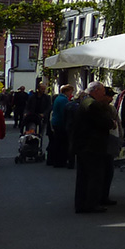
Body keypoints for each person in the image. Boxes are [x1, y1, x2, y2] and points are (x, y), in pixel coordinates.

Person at [74, 82, 115, 213]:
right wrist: (111, 123)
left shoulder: (85, 102)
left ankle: (82, 203)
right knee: (94, 175)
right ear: (96, 90)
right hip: (92, 145)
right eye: (102, 91)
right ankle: (91, 203)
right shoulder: (93, 105)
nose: (104, 93)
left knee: (84, 176)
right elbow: (104, 122)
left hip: (84, 144)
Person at [47, 85, 74, 167]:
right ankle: (60, 161)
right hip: (60, 123)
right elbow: (64, 112)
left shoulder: (59, 98)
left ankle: (55, 160)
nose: (71, 93)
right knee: (61, 143)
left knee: (57, 142)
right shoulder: (63, 100)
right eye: (71, 91)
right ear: (67, 91)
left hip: (56, 122)